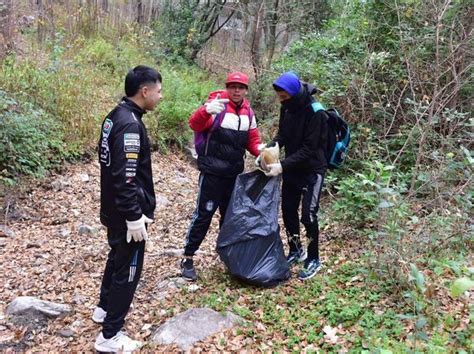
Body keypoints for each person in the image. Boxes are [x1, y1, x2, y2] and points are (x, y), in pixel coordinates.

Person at [93, 65, 162, 352]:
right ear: (144, 91)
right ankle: (110, 335)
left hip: (112, 208)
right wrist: (135, 216)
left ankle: (103, 308)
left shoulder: (115, 115)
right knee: (129, 269)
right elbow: (125, 177)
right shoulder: (130, 124)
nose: (160, 96)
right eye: (158, 91)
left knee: (116, 258)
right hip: (127, 215)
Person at [181, 71, 261, 281]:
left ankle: (226, 255)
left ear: (245, 90)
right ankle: (188, 257)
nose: (236, 90)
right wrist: (205, 111)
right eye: (232, 86)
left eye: (240, 87)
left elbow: (252, 140)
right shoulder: (216, 106)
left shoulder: (248, 113)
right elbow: (195, 124)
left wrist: (262, 153)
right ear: (227, 87)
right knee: (204, 215)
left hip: (234, 174)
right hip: (212, 174)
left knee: (229, 218)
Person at [260, 71, 328, 280]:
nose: (281, 100)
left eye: (284, 96)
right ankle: (296, 249)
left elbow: (309, 148)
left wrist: (281, 166)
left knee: (308, 215)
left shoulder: (316, 112)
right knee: (288, 210)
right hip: (292, 169)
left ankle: (313, 258)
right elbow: (283, 135)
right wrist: (267, 150)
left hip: (312, 171)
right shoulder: (287, 107)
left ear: (293, 92)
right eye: (279, 97)